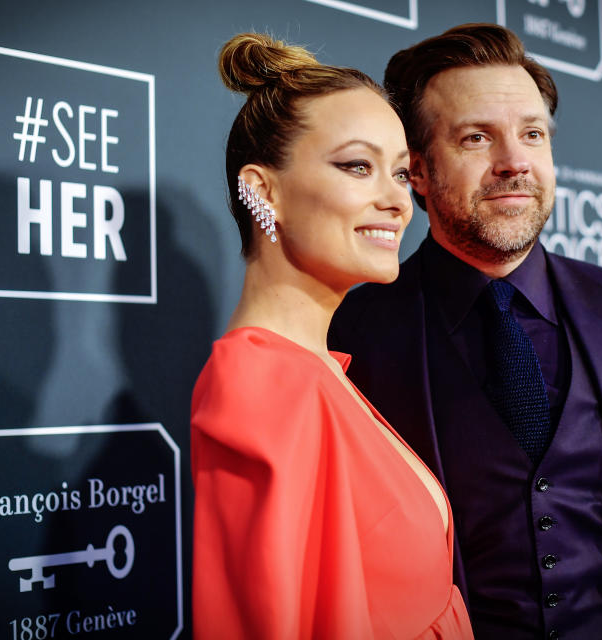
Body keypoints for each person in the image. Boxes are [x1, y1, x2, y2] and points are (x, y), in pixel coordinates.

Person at [329, 23, 602, 639]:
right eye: (477, 137)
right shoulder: (354, 329)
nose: (515, 163)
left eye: (532, 135)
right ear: (418, 172)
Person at [190, 33, 474, 639]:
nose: (398, 200)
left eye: (401, 173)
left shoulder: (318, 373)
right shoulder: (263, 387)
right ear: (263, 191)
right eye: (357, 166)